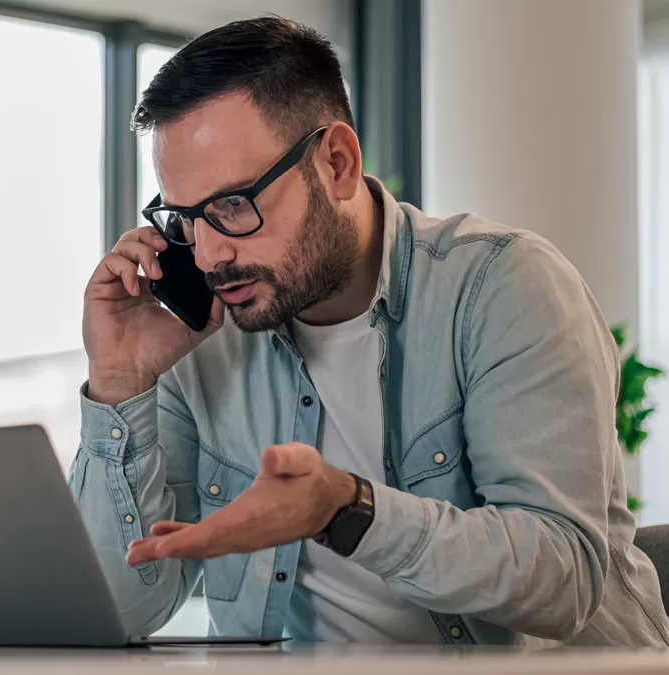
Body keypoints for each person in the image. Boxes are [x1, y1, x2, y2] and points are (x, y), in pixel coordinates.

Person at [69, 16, 669, 647]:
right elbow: (124, 610)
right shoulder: (205, 333)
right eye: (186, 217)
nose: (211, 253)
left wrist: (345, 511)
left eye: (232, 205)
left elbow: (561, 577)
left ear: (336, 163)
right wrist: (119, 382)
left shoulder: (504, 286)